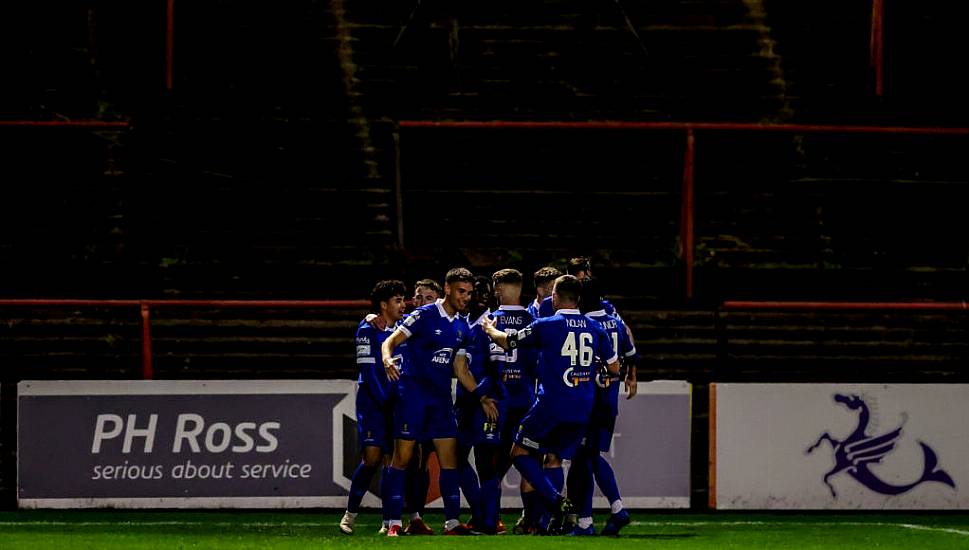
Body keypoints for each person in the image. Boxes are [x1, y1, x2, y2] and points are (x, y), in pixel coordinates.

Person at [481, 275, 619, 534]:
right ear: (577, 299)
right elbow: (614, 367)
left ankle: (557, 502)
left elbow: (508, 341)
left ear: (555, 297)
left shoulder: (548, 324)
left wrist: (489, 328)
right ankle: (563, 518)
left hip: (552, 403)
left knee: (519, 452)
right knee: (554, 458)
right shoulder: (594, 328)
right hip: (583, 407)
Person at [381, 267, 498, 537]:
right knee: (403, 458)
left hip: (441, 401)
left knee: (450, 460)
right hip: (412, 397)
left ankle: (452, 523)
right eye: (461, 291)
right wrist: (387, 358)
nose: (466, 297)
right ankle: (393, 522)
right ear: (447, 289)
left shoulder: (460, 326)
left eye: (469, 293)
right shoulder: (424, 315)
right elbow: (390, 340)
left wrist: (480, 395)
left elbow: (460, 369)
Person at [566, 276, 639, 536]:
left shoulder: (587, 325)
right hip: (609, 401)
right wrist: (631, 376)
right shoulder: (616, 322)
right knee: (590, 456)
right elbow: (630, 354)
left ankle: (589, 520)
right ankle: (614, 511)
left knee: (585, 458)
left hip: (589, 402)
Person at [340, 280, 407, 535]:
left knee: (394, 461)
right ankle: (350, 514)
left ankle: (389, 521)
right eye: (397, 300)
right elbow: (368, 371)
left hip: (396, 402)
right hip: (373, 403)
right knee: (372, 459)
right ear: (383, 305)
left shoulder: (403, 327)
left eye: (403, 300)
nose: (403, 305)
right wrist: (385, 401)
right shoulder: (367, 329)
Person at [489, 268, 540, 534]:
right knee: (528, 461)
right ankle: (531, 521)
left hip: (498, 401)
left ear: (498, 288)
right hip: (527, 400)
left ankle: (492, 519)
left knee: (494, 463)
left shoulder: (490, 320)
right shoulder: (534, 320)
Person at [454, 275, 501, 533]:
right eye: (475, 292)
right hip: (467, 401)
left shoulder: (491, 325)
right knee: (459, 457)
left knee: (484, 461)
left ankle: (489, 519)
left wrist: (484, 395)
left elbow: (498, 367)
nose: (479, 296)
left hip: (486, 401)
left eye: (485, 292)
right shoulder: (464, 322)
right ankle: (483, 513)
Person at [403, 277, 442, 534]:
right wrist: (372, 316)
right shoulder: (407, 323)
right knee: (407, 458)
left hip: (436, 399)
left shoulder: (446, 324)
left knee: (428, 458)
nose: (421, 302)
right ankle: (401, 518)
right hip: (408, 397)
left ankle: (423, 517)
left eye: (428, 298)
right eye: (418, 296)